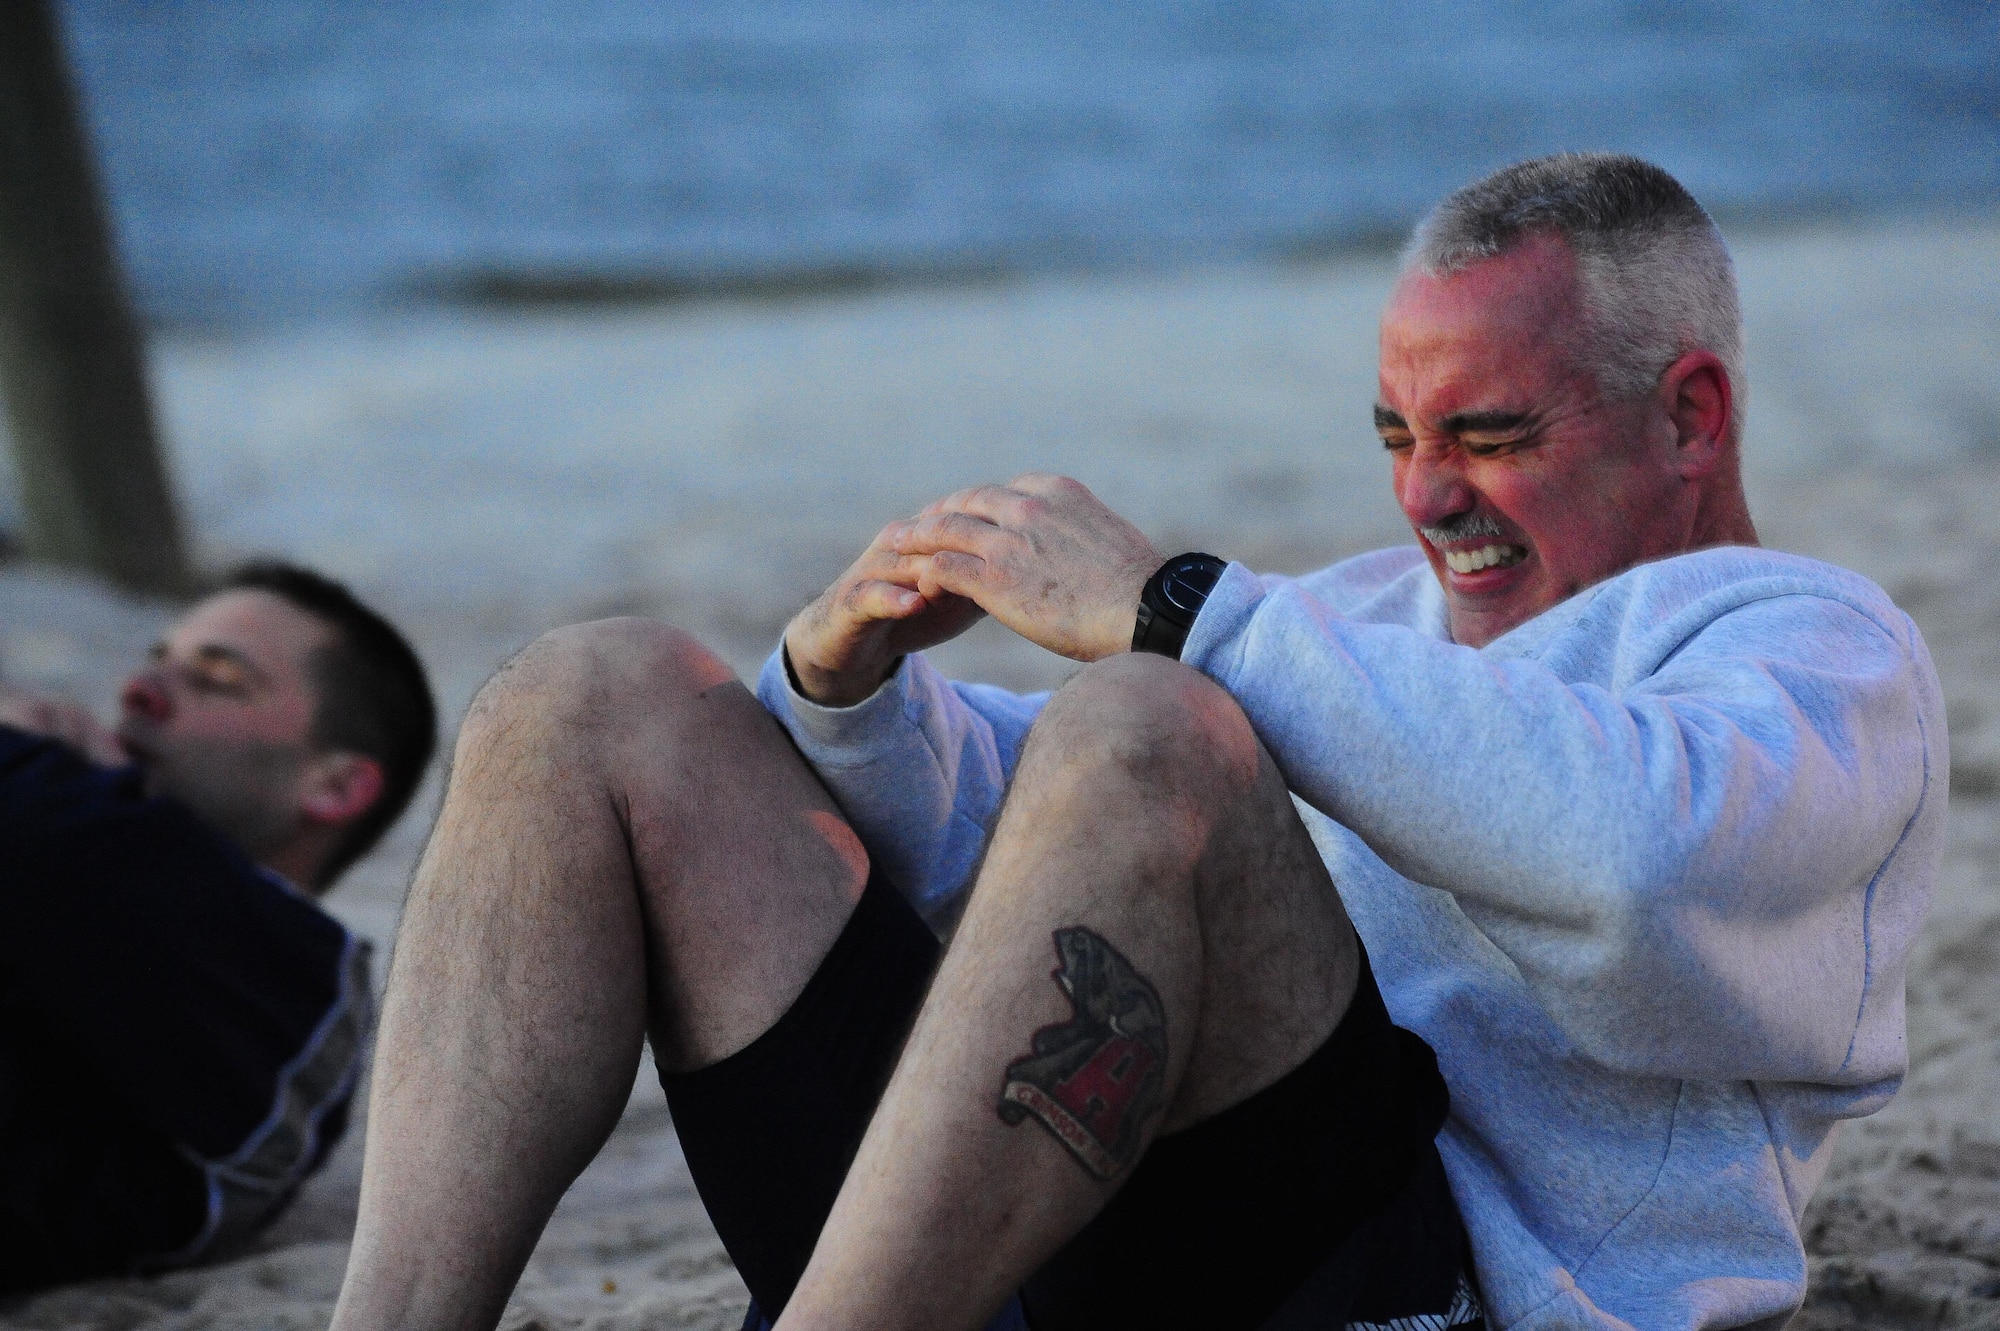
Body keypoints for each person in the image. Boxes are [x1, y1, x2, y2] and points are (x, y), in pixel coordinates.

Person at [330, 153, 1944, 1331]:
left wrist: (1185, 611)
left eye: (1491, 437)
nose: (1426, 495)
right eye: (1397, 436)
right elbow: (1024, 848)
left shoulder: (1809, 648)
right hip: (1013, 1238)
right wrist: (853, 693)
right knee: (596, 693)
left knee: (1152, 720)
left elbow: (1638, 869)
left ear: (1692, 413)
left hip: (1402, 1288)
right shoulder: (1367, 622)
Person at [0, 560, 436, 1290]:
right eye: (156, 662)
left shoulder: (297, 985)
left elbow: (56, 843)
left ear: (333, 783)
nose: (136, 691)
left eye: (216, 675)